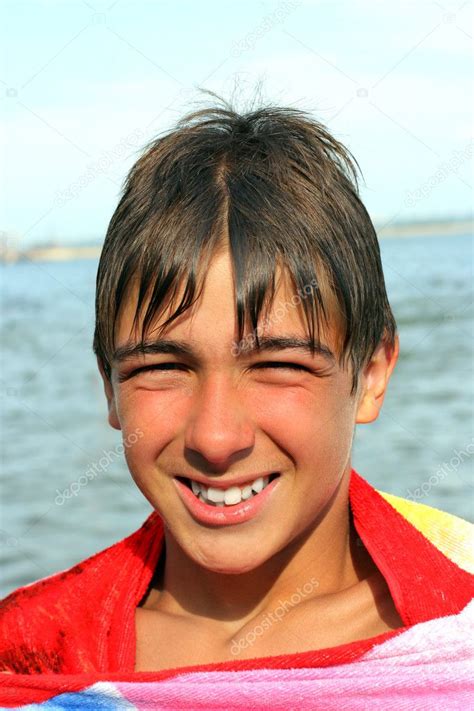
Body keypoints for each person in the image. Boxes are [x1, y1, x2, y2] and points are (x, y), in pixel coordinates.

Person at [1, 93, 472, 707]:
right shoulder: (31, 663)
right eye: (163, 367)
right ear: (109, 386)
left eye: (278, 365)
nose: (216, 437)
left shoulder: (454, 640)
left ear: (373, 372)